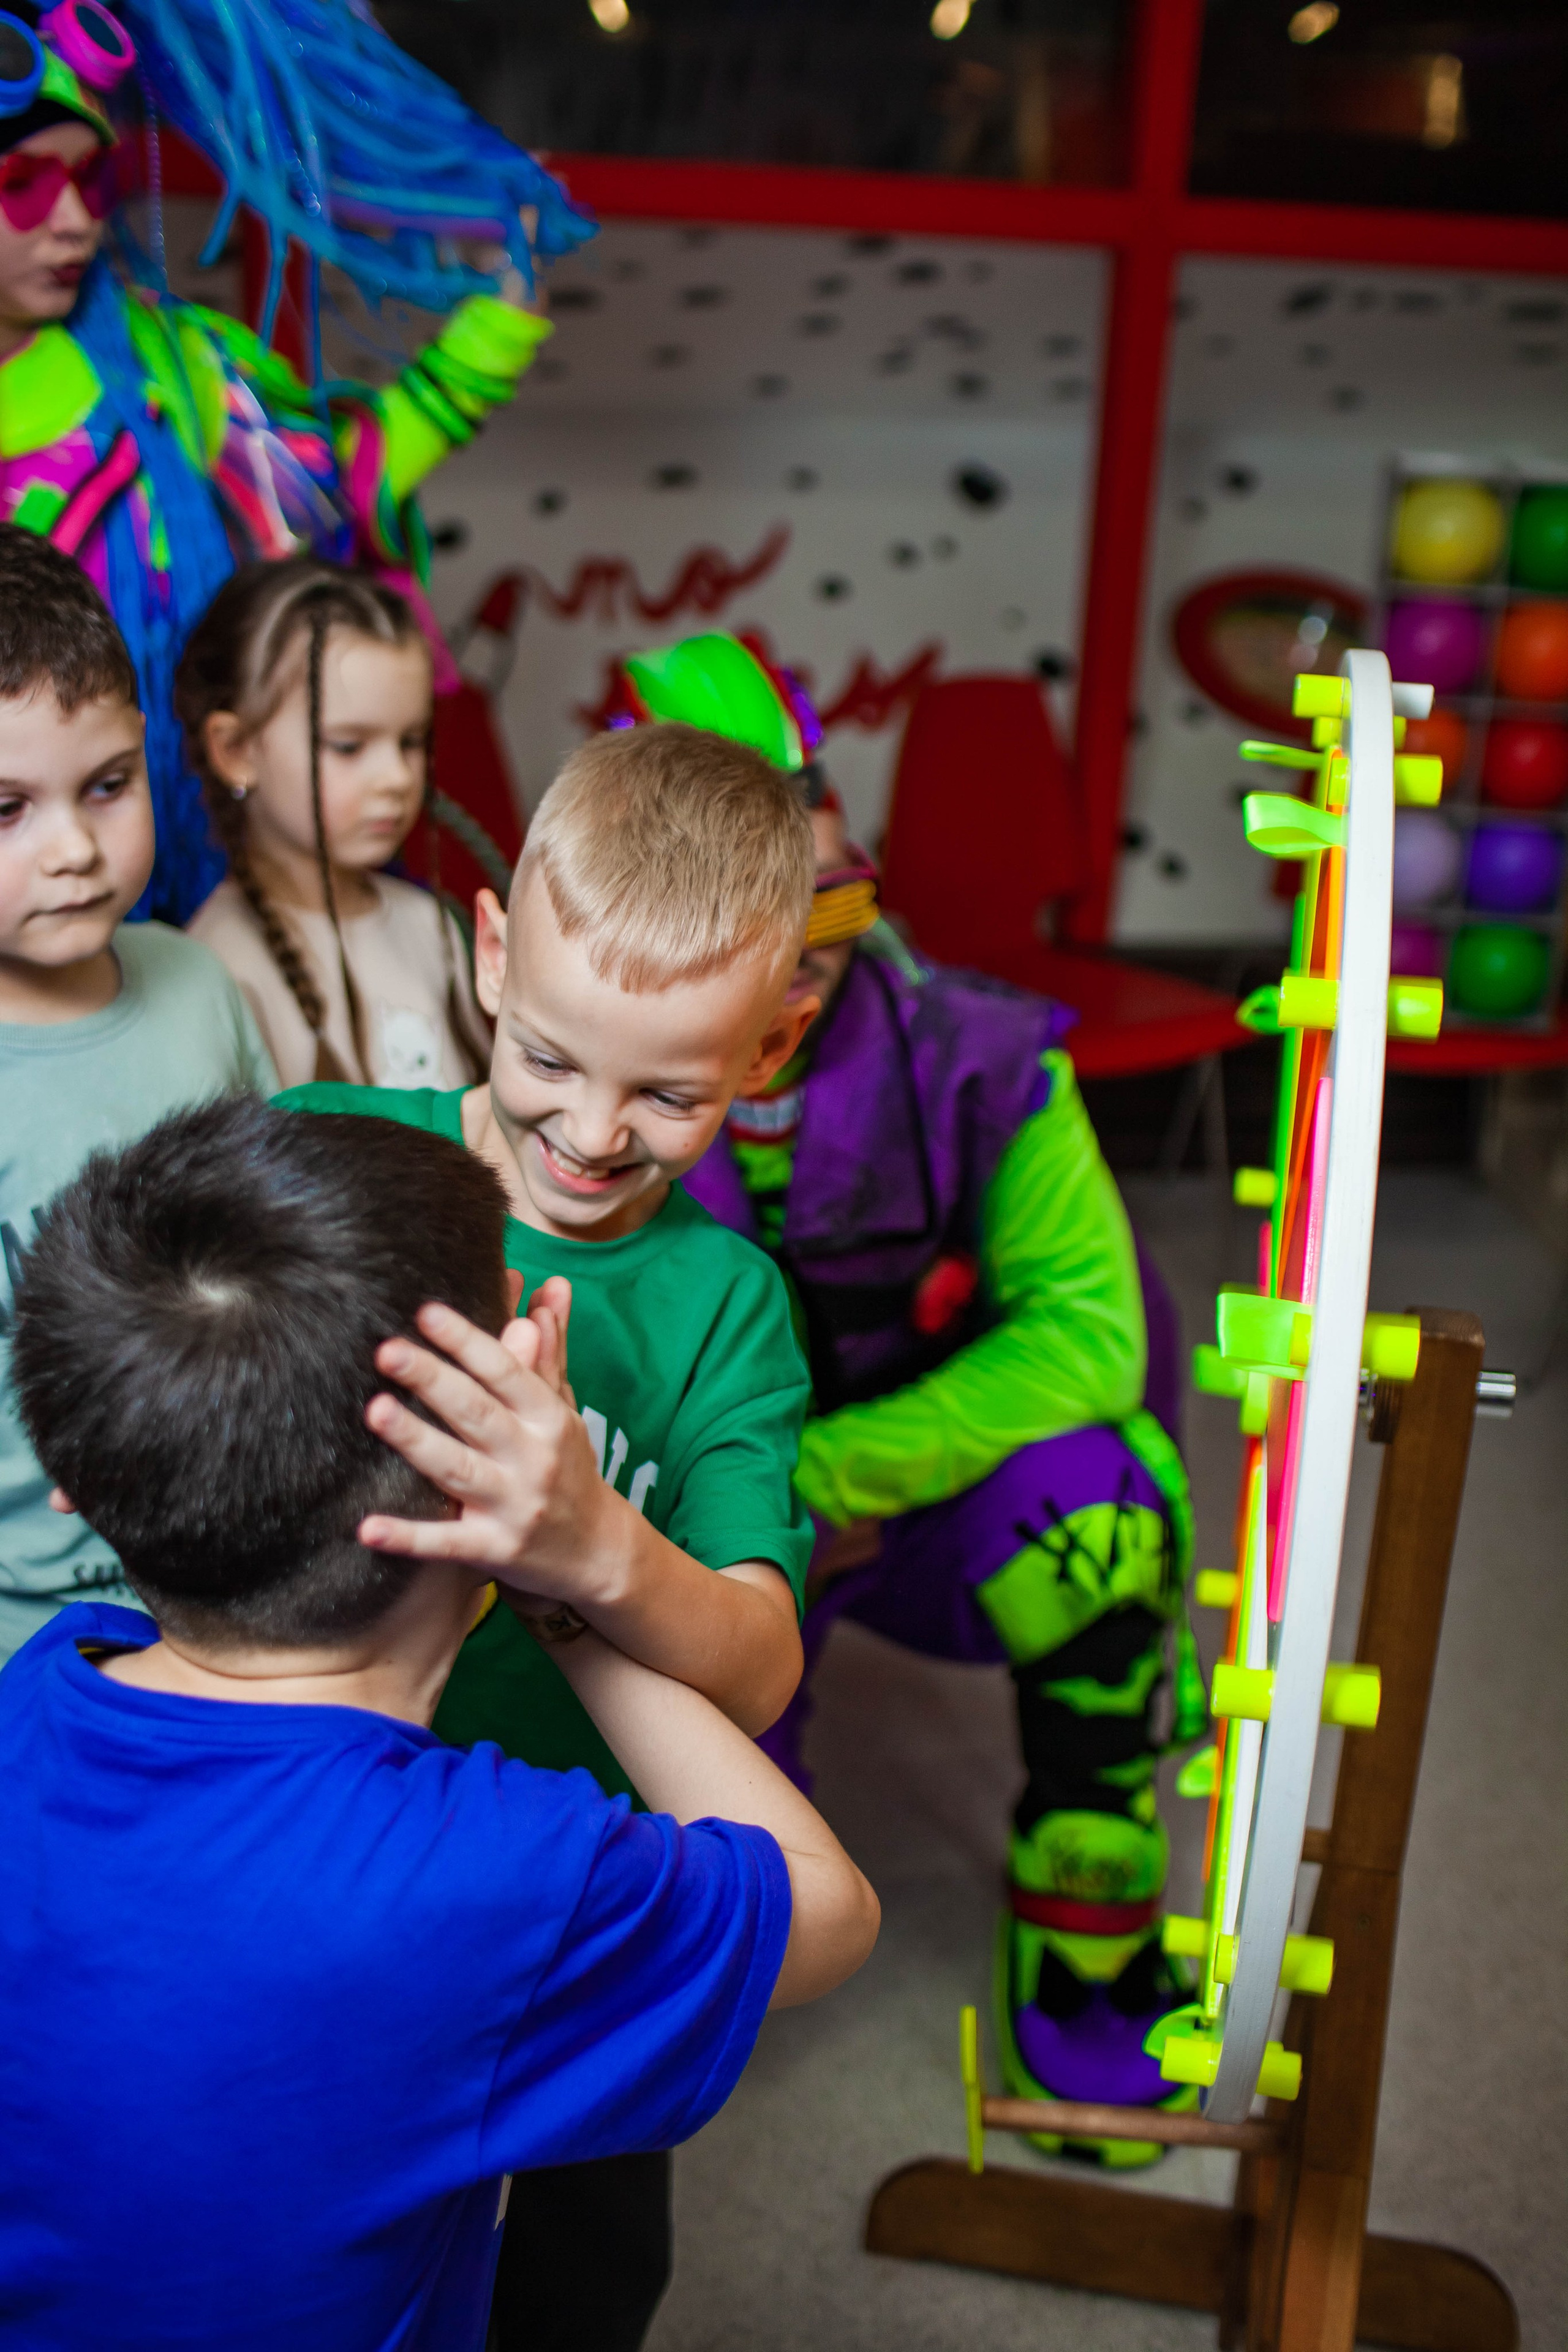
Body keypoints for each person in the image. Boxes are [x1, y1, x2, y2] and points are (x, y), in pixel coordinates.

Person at [1, 1095, 878, 2352]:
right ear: (478, 1473)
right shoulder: (503, 1877)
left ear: (81, 1486)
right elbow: (830, 1912)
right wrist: (567, 1577)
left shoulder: (38, 1683)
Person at [277, 718, 827, 2348]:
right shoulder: (323, 1148)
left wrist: (589, 1548)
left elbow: (760, 1664)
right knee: (326, 2234)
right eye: (547, 1060)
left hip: (577, 1889)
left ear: (772, 1049)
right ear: (493, 956)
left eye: (669, 1093)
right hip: (324, 1850)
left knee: (589, 2275)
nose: (591, 1136)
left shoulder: (731, 1306)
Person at [628, 633, 1204, 2164]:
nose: (790, 973)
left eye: (820, 913)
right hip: (694, 1524)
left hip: (910, 1490)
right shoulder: (593, 1050)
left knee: (1100, 1521)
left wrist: (833, 1471)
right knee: (721, 1866)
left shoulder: (978, 1057)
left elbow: (1087, 1339)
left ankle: (1087, 1922)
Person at [0, 0, 584, 921]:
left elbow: (331, 491)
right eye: (24, 183)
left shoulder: (167, 371)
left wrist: (492, 338)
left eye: (90, 177)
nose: (73, 218)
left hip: (172, 880)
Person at [0, 522, 274, 1665]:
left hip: (232, 1607)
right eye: (4, 810)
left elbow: (282, 1275)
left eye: (106, 786)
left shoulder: (201, 986)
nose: (73, 848)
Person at [180, 557, 490, 1088]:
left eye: (412, 741)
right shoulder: (217, 967)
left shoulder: (429, 925)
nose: (396, 776)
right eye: (349, 746)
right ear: (235, 750)